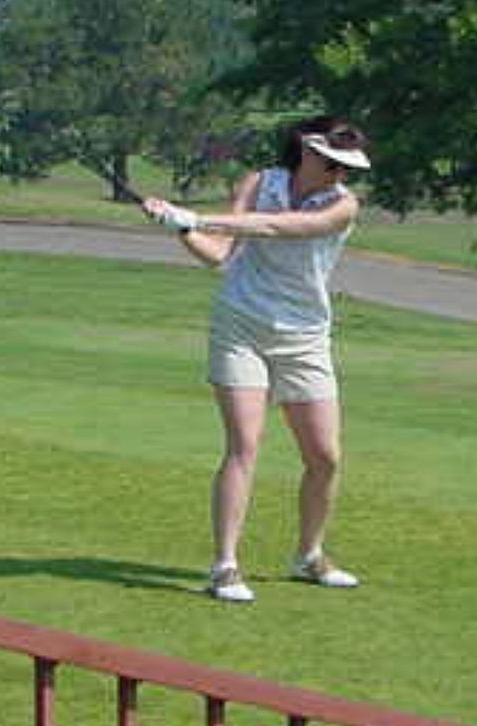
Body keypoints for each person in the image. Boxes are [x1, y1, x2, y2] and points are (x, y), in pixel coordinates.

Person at [142, 116, 371, 602]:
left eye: (345, 167)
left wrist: (195, 216)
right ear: (307, 150)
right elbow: (218, 255)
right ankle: (225, 567)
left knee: (325, 456)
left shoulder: (343, 205)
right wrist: (179, 227)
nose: (339, 174)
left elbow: (277, 226)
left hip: (305, 335)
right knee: (244, 444)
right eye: (332, 163)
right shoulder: (259, 182)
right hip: (241, 325)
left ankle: (309, 555)